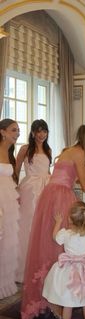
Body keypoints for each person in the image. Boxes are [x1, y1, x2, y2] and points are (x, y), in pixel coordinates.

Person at [21, 124, 85, 319]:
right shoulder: (79, 153)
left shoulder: (72, 151)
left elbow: (76, 180)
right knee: (61, 246)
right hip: (60, 196)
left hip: (53, 194)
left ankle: (59, 294)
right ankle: (58, 299)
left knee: (54, 242)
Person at [16, 119, 52, 282]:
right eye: (38, 131)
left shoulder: (48, 149)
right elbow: (15, 171)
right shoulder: (25, 149)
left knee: (44, 225)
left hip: (46, 188)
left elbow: (48, 170)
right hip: (30, 188)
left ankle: (42, 265)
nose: (42, 134)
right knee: (28, 224)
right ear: (32, 133)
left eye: (44, 131)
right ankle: (24, 266)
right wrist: (14, 190)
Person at [0, 118, 20, 298]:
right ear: (2, 132)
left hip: (9, 199)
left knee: (7, 241)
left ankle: (3, 283)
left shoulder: (9, 152)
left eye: (18, 130)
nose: (17, 133)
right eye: (13, 130)